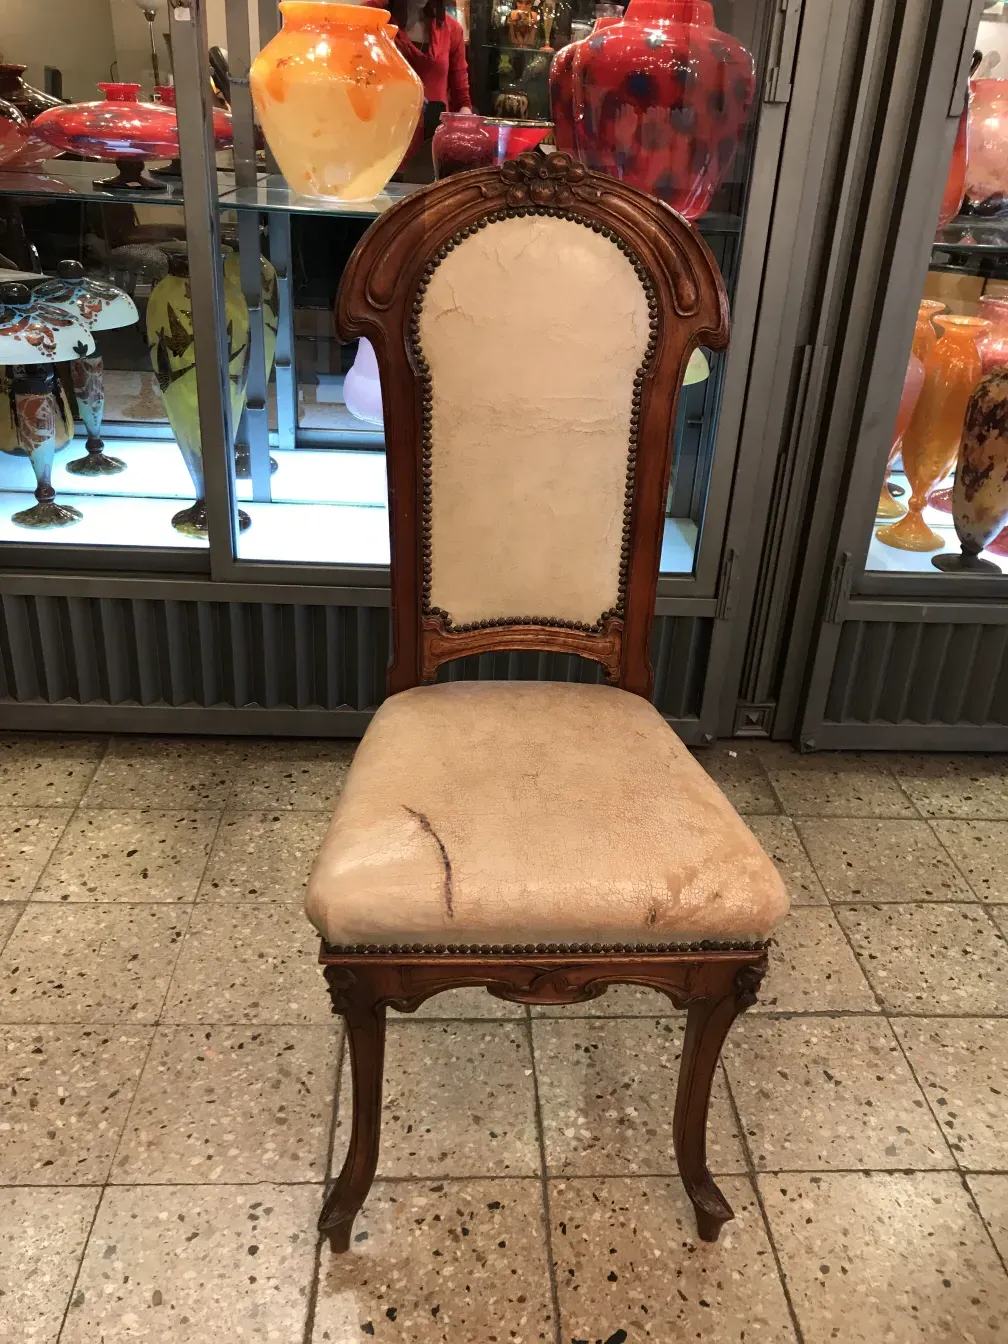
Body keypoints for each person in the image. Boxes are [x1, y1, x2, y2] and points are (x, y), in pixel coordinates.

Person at [370, 0, 472, 134]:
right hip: (385, 135)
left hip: (431, 140)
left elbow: (462, 98)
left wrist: (465, 118)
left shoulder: (452, 29)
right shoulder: (376, 19)